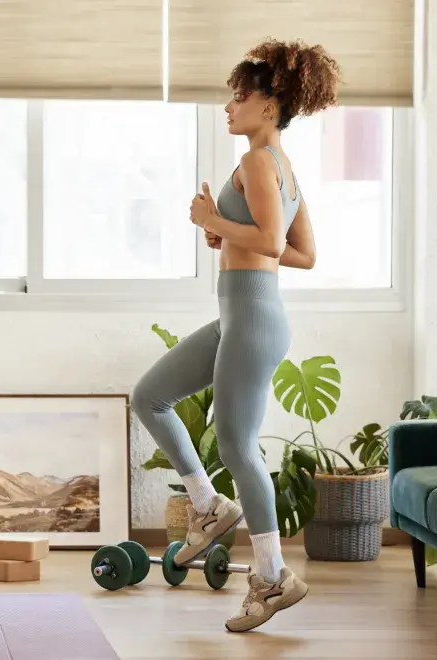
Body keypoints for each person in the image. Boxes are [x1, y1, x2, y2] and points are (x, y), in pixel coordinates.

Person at [131, 38, 340, 633]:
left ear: (271, 104)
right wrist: (228, 235)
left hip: (252, 317)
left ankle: (273, 577)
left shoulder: (258, 161)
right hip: (243, 313)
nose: (230, 105)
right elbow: (304, 254)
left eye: (240, 95)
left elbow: (274, 246)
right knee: (150, 396)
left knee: (238, 447)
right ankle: (207, 506)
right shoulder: (280, 166)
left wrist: (211, 222)